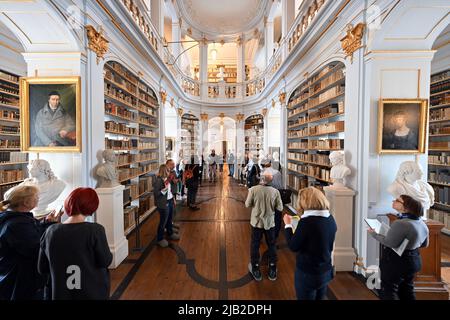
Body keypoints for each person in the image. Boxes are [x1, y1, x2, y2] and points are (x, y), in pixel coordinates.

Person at [38, 188, 113, 300]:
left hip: (60, 292)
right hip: (92, 292)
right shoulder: (96, 230)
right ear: (92, 206)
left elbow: (42, 268)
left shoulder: (50, 231)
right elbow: (105, 261)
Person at [0, 185, 61, 300]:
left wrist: (47, 223)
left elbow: (33, 234)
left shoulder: (17, 218)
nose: (38, 199)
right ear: (26, 202)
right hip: (19, 280)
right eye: (36, 197)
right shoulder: (17, 224)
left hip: (19, 276)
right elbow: (37, 249)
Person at [368, 195, 429, 300]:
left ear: (405, 208)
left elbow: (389, 243)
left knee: (388, 290)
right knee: (407, 290)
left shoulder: (401, 223)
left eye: (397, 200)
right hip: (413, 260)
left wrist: (373, 234)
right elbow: (424, 244)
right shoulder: (421, 223)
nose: (393, 201)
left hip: (397, 261)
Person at [284, 187, 337, 300]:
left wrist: (288, 225)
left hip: (308, 273)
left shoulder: (306, 223)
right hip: (325, 271)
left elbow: (293, 246)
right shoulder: (331, 219)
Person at [245, 172, 283, 282]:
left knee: (255, 244)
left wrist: (256, 204)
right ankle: (272, 268)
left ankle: (255, 267)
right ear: (270, 181)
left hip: (256, 222)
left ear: (260, 179)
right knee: (271, 244)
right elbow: (280, 208)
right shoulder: (275, 191)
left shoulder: (253, 190)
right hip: (270, 222)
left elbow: (247, 204)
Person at [153, 164, 180, 247]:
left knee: (169, 219)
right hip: (163, 204)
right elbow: (156, 193)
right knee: (163, 222)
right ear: (165, 171)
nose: (170, 172)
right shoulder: (158, 180)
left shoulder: (166, 179)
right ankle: (160, 239)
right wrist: (163, 191)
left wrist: (173, 199)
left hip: (169, 201)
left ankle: (170, 233)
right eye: (168, 170)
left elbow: (169, 191)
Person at [261, 158, 283, 239]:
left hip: (269, 195)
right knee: (277, 215)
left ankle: (268, 233)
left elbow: (262, 185)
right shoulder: (278, 172)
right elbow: (280, 184)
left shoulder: (265, 173)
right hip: (279, 194)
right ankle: (276, 234)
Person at [166, 159, 180, 231]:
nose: (173, 165)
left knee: (172, 210)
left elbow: (175, 180)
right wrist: (176, 180)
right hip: (169, 194)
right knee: (168, 211)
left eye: (173, 164)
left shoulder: (173, 172)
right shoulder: (167, 173)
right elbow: (173, 181)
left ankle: (171, 223)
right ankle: (168, 226)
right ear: (167, 164)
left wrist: (177, 179)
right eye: (171, 164)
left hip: (173, 192)